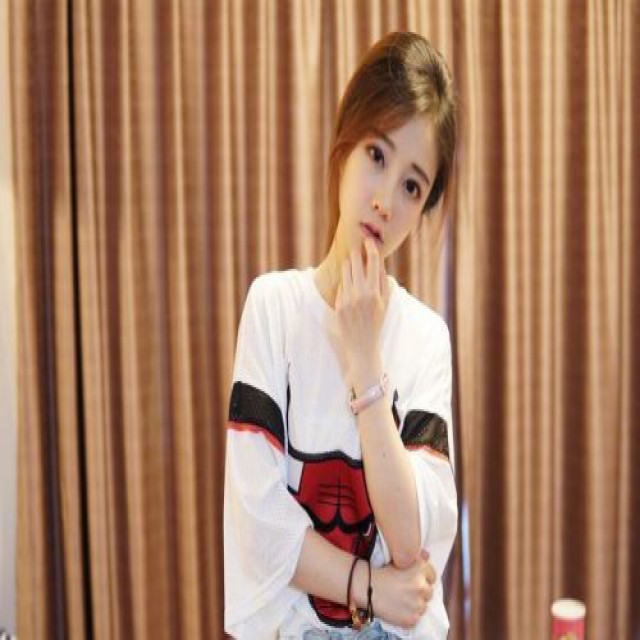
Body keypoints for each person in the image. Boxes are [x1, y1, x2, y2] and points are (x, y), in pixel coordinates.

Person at [224, 31, 458, 639]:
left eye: (412, 186)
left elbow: (410, 542)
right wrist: (372, 588)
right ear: (345, 144)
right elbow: (260, 526)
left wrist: (364, 362)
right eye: (377, 155)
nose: (385, 201)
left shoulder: (426, 338)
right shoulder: (273, 308)